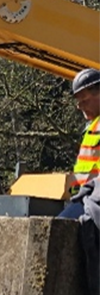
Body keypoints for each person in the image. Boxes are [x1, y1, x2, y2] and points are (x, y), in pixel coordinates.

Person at [58, 68, 100, 218]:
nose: (79, 106)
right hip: (86, 198)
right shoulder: (94, 126)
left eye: (84, 99)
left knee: (59, 229)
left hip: (93, 200)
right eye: (78, 101)